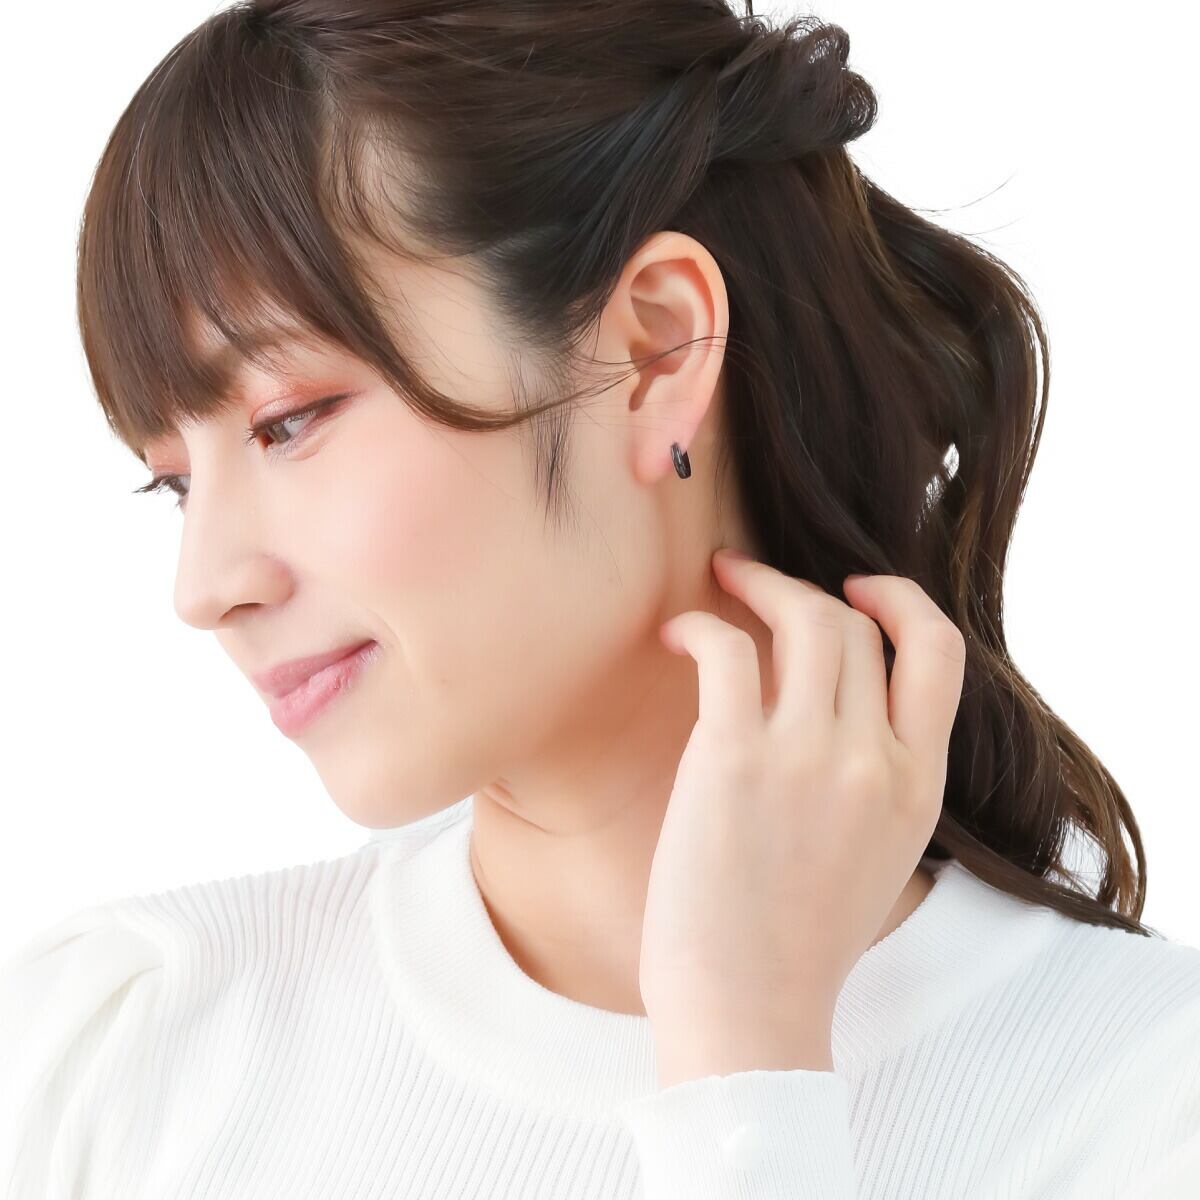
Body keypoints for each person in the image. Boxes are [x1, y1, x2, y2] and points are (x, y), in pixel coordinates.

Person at [2, 1, 1196, 1196]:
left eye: (288, 421)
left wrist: (748, 1072)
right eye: (176, 484)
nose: (204, 587)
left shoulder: (1148, 1106)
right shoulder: (116, 1060)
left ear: (656, 351)